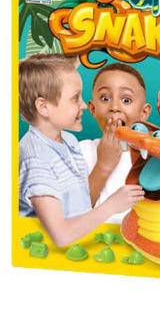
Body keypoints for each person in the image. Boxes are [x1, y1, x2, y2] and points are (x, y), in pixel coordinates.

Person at [17, 53, 143, 246]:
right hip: (46, 248)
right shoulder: (36, 160)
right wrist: (105, 175)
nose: (83, 105)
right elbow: (63, 232)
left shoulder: (69, 141)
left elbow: (78, 208)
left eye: (126, 100)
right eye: (75, 98)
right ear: (43, 107)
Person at [78, 62, 151, 223]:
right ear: (92, 109)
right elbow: (72, 213)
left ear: (144, 112)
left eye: (126, 100)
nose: (115, 107)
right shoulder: (82, 151)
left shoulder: (153, 157)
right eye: (105, 98)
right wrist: (103, 166)